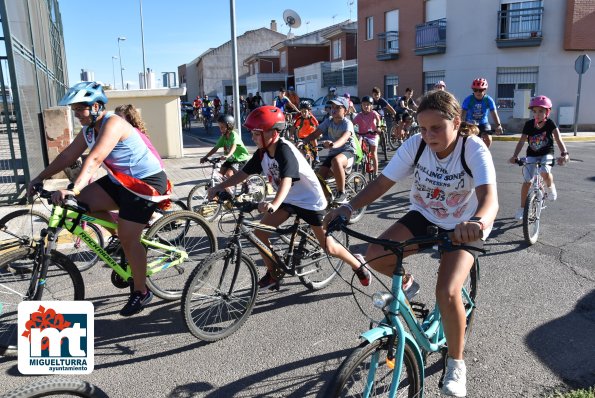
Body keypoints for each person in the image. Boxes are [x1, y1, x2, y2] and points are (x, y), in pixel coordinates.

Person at [325, 90, 499, 397]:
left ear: (456, 123)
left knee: (447, 291)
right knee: (376, 254)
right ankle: (407, 283)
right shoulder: (416, 145)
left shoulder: (472, 148)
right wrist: (348, 208)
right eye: (422, 128)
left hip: (463, 226)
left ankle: (456, 364)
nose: (428, 135)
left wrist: (479, 223)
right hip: (424, 214)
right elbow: (381, 182)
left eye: (436, 128)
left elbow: (489, 199)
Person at [27, 82, 171, 317]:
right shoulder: (89, 129)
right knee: (80, 205)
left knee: (127, 237)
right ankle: (125, 230)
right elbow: (67, 155)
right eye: (74, 110)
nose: (76, 115)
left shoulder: (113, 123)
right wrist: (38, 178)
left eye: (79, 109)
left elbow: (94, 159)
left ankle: (141, 291)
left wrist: (73, 188)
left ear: (95, 106)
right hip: (120, 181)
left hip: (145, 184)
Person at [206, 105, 371, 289]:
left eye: (256, 133)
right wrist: (219, 187)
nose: (252, 138)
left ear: (273, 133)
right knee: (260, 233)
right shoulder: (263, 152)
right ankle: (274, 271)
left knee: (329, 247)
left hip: (310, 201)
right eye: (252, 133)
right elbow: (243, 173)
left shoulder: (285, 150)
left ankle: (358, 265)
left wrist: (274, 203)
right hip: (288, 199)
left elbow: (286, 180)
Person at [508, 95, 569, 220]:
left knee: (544, 171)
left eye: (541, 111)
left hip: (547, 153)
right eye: (534, 111)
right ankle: (522, 208)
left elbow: (558, 139)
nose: (537, 114)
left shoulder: (550, 124)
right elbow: (521, 141)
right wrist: (515, 156)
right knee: (527, 181)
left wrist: (564, 153)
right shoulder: (529, 124)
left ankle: (551, 187)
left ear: (547, 112)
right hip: (532, 154)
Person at [304, 96, 356, 204]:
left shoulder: (347, 123)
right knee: (318, 178)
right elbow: (316, 133)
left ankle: (342, 193)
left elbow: (344, 138)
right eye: (332, 107)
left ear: (345, 111)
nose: (334, 109)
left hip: (348, 152)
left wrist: (333, 144)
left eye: (338, 107)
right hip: (334, 153)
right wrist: (304, 141)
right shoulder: (329, 121)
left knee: (336, 161)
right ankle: (329, 198)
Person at [200, 114, 251, 179]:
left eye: (222, 127)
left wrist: (228, 155)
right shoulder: (223, 137)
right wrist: (205, 157)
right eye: (219, 127)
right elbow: (215, 148)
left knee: (229, 174)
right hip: (230, 160)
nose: (220, 129)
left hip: (240, 159)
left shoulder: (233, 135)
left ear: (229, 126)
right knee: (220, 175)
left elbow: (234, 146)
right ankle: (225, 189)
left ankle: (246, 184)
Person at [461, 78, 503, 148]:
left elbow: (494, 113)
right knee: (466, 141)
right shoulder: (468, 100)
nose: (478, 92)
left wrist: (498, 125)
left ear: (485, 90)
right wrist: (461, 124)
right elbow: (463, 114)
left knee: (488, 139)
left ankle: (484, 153)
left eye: (480, 90)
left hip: (483, 123)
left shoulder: (488, 100)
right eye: (475, 90)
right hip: (470, 123)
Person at [353, 96, 381, 176]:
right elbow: (352, 123)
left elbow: (378, 120)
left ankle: (375, 173)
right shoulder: (359, 115)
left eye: (368, 105)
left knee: (373, 153)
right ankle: (360, 159)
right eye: (364, 104)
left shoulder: (373, 113)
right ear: (361, 105)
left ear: (371, 106)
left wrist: (378, 127)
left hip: (373, 136)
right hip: (363, 136)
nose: (366, 106)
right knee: (358, 145)